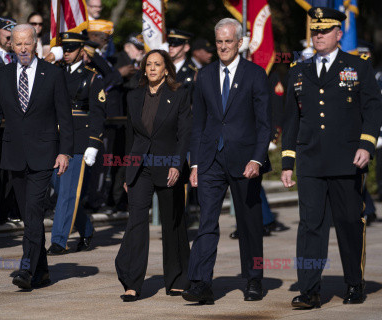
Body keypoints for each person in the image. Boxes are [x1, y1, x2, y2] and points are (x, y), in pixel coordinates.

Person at [281, 7, 382, 308]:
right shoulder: (298, 70)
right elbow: (290, 121)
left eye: (325, 30)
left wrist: (366, 145)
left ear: (339, 34)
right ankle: (310, 289)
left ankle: (354, 283)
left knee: (350, 223)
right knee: (310, 226)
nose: (319, 35)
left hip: (347, 160)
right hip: (311, 161)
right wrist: (288, 162)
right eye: (315, 30)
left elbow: (373, 109)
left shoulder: (358, 66)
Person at [183, 18, 271, 304]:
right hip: (210, 160)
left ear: (240, 42)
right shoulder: (205, 75)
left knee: (249, 224)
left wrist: (257, 159)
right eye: (219, 41)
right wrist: (195, 163)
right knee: (206, 221)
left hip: (245, 161)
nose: (222, 46)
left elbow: (264, 124)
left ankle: (254, 279)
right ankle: (199, 282)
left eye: (228, 41)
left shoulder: (255, 74)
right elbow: (198, 123)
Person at [0, 24, 73, 290]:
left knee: (33, 211)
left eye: (27, 43)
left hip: (45, 154)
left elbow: (65, 118)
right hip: (14, 155)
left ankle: (26, 268)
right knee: (28, 216)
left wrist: (65, 151)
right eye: (17, 43)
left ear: (36, 44)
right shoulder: (2, 76)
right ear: (11, 46)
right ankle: (42, 271)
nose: (23, 48)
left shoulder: (53, 75)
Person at [115, 49, 192, 302]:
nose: (152, 69)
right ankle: (132, 283)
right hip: (140, 166)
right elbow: (130, 136)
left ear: (166, 69)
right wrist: (128, 171)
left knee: (172, 223)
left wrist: (176, 165)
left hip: (168, 164)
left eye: (157, 64)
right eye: (148, 64)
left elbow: (184, 134)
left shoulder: (178, 95)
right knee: (136, 222)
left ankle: (177, 279)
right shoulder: (134, 96)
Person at [46, 32, 105, 256]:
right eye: (65, 49)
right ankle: (86, 229)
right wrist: (51, 57)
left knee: (68, 192)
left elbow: (98, 114)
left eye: (71, 49)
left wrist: (93, 143)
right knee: (60, 191)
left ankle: (59, 241)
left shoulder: (92, 77)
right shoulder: (54, 72)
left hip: (79, 140)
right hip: (57, 138)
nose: (67, 53)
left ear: (82, 50)